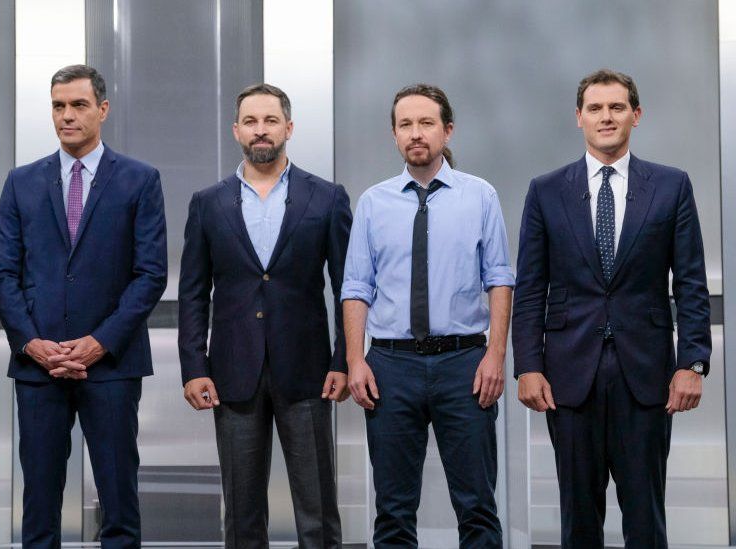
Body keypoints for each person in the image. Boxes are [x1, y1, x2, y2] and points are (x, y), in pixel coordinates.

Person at [512, 68, 711, 548]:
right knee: (579, 520)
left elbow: (690, 283)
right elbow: (531, 287)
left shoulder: (671, 186)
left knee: (646, 518)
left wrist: (693, 363)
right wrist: (528, 366)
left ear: (635, 115)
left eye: (617, 107)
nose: (606, 117)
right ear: (578, 117)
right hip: (568, 376)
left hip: (646, 375)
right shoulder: (545, 190)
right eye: (596, 108)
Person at [0, 64, 167, 548]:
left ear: (102, 110)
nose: (67, 115)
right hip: (38, 366)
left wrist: (99, 342)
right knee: (39, 506)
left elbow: (151, 274)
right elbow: (1, 273)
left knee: (119, 501)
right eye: (58, 106)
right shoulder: (21, 182)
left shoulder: (139, 180)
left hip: (111, 365)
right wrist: (32, 344)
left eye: (78, 105)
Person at [178, 83, 351, 548]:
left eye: (270, 121)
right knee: (241, 515)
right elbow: (193, 293)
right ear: (236, 130)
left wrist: (344, 359)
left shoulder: (327, 198)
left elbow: (348, 289)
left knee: (318, 513)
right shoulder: (208, 203)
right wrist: (194, 367)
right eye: (251, 121)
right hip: (233, 373)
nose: (261, 130)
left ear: (288, 128)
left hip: (309, 372)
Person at [343, 84, 514, 548]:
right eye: (405, 125)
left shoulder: (480, 196)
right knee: (393, 509)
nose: (416, 133)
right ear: (394, 134)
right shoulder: (373, 203)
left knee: (477, 505)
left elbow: (500, 278)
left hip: (464, 364)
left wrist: (496, 356)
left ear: (447, 130)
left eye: (426, 123)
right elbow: (356, 287)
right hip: (391, 366)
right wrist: (356, 360)